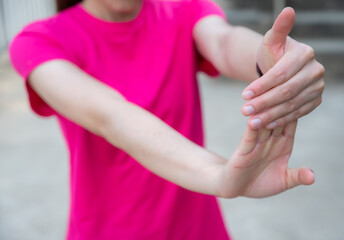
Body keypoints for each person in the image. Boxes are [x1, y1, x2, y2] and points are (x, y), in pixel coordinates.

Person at [9, 0, 325, 239]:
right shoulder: (40, 41)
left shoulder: (183, 9)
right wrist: (218, 173)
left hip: (198, 229)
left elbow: (223, 42)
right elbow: (111, 115)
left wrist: (270, 60)